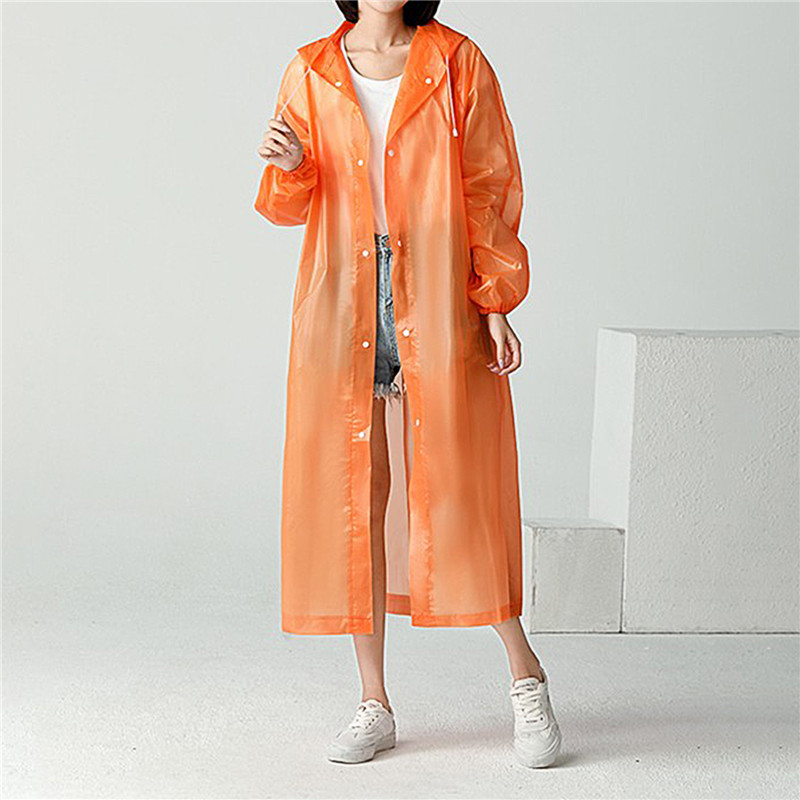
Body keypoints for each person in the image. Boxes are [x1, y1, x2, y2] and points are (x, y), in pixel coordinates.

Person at [255, 0, 562, 768]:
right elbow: (289, 204)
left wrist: (495, 302)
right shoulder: (311, 70)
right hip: (344, 294)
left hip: (437, 285)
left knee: (460, 487)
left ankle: (525, 675)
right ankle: (374, 701)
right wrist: (290, 168)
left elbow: (488, 183)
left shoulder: (457, 61)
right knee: (359, 495)